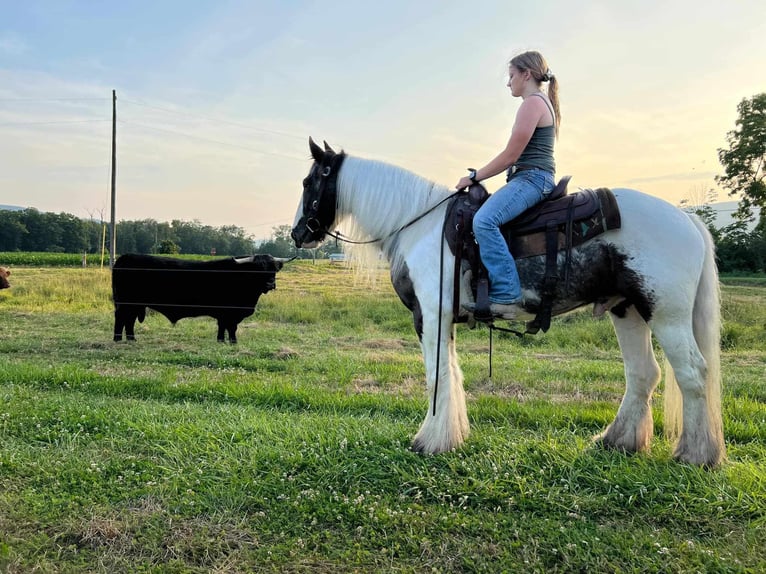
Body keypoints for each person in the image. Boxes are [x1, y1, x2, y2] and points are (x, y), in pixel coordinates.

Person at [455, 50, 560, 319]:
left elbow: (511, 156)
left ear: (526, 74)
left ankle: (506, 293)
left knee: (484, 221)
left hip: (532, 178)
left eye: (511, 75)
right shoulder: (541, 102)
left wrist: (474, 176)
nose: (508, 82)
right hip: (531, 176)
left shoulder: (533, 103)